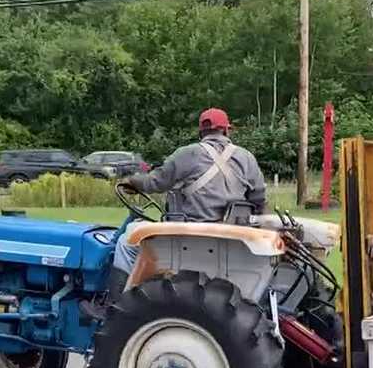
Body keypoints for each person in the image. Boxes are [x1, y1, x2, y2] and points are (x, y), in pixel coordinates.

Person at [96, 108, 267, 314]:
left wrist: (132, 181)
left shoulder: (189, 153)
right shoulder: (247, 158)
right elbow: (259, 199)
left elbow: (155, 182)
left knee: (127, 240)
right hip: (232, 237)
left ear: (201, 132)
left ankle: (113, 307)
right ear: (226, 131)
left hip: (190, 234)